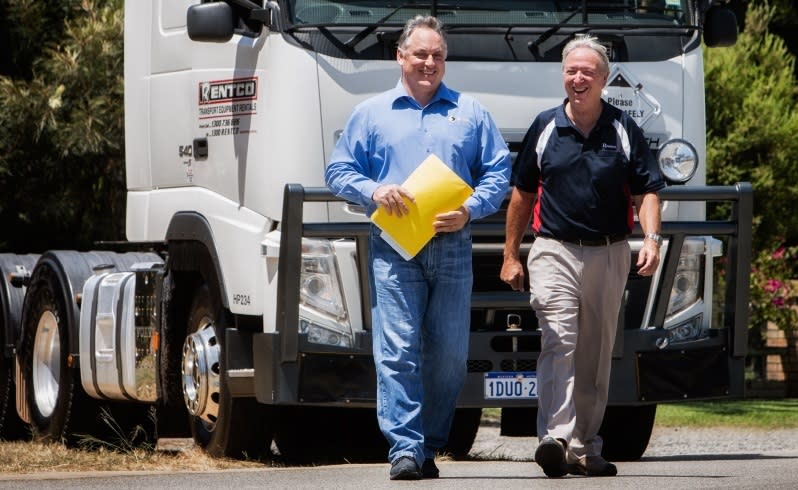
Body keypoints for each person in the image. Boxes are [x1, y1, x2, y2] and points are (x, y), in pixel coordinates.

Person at [325, 16, 510, 481]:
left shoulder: (470, 112)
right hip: (395, 247)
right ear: (400, 57)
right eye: (421, 54)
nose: (430, 62)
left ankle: (428, 443)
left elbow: (498, 171)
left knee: (449, 355)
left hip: (453, 245)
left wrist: (470, 209)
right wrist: (373, 191)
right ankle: (405, 448)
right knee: (398, 349)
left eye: (438, 56)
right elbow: (338, 172)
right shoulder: (371, 113)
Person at [500, 35, 665, 478]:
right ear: (563, 76)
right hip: (553, 249)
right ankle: (554, 437)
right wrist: (511, 254)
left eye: (587, 72)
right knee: (559, 340)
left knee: (594, 353)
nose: (578, 78)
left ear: (604, 79)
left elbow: (648, 189)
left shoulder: (624, 130)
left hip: (609, 252)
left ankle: (584, 446)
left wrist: (650, 239)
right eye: (571, 71)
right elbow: (522, 194)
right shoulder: (546, 126)